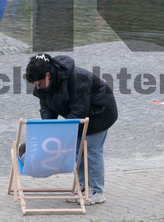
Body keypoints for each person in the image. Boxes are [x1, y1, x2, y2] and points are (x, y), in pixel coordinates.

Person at [25, 53, 118, 205]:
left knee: (91, 150)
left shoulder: (77, 79)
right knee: (78, 150)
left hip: (100, 113)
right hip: (81, 113)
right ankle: (82, 187)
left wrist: (63, 133)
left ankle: (96, 190)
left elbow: (79, 110)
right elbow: (46, 107)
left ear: (48, 75)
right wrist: (49, 129)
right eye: (35, 85)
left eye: (39, 84)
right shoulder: (44, 85)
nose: (38, 88)